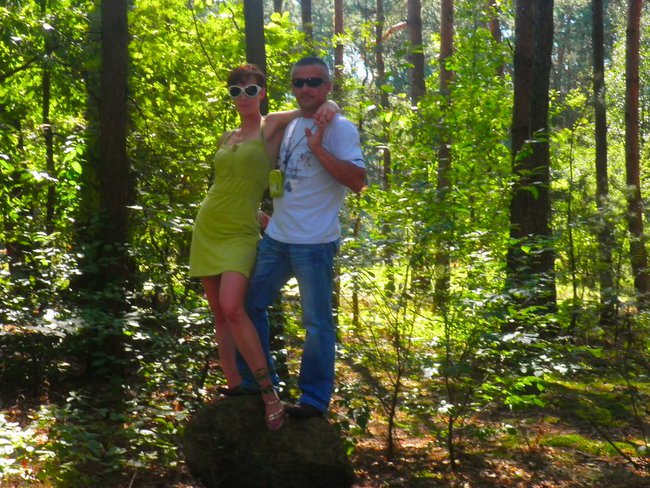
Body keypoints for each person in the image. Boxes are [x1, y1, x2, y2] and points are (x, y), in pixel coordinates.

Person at [189, 64, 337, 430]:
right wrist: (259, 214)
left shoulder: (270, 126)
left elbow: (310, 106)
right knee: (219, 315)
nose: (243, 97)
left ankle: (269, 393)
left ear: (262, 93)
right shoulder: (227, 136)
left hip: (239, 234)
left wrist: (331, 105)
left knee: (234, 308)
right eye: (236, 91)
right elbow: (227, 183)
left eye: (251, 90)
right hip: (208, 227)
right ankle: (237, 385)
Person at [237, 57, 366, 418]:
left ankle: (313, 399)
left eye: (314, 82)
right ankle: (258, 382)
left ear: (328, 86)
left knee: (317, 324)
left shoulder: (341, 128)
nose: (305, 88)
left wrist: (320, 149)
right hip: (277, 237)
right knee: (248, 306)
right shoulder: (291, 124)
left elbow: (358, 181)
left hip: (315, 243)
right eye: (298, 82)